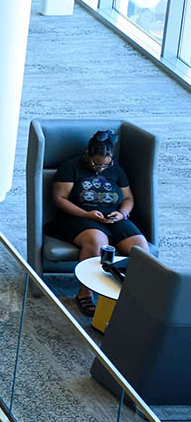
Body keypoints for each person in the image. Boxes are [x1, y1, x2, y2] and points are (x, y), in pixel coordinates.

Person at [50, 130, 151, 312]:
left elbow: (128, 198)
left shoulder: (116, 169)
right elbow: (60, 198)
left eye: (105, 166)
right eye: (96, 165)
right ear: (87, 154)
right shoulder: (71, 166)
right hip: (78, 216)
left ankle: (133, 294)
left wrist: (122, 214)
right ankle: (85, 292)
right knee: (97, 241)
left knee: (140, 246)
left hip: (113, 217)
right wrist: (86, 214)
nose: (100, 169)